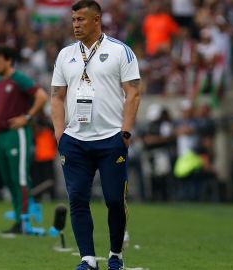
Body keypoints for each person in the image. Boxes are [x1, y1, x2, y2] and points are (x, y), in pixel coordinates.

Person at [51, 1, 141, 269]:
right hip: (75, 141)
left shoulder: (120, 51)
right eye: (74, 20)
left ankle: (115, 255)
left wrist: (125, 132)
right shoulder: (65, 54)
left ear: (97, 20)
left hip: (111, 138)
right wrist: (60, 134)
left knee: (114, 200)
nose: (75, 25)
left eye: (80, 19)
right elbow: (56, 96)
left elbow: (133, 92)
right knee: (77, 199)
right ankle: (87, 259)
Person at [0, 46, 48, 234]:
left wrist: (27, 118)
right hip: (1, 135)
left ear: (8, 61)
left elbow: (41, 96)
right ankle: (18, 217)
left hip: (17, 134)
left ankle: (23, 220)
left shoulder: (18, 79)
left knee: (19, 177)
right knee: (7, 178)